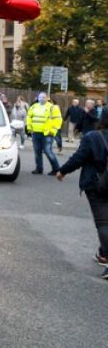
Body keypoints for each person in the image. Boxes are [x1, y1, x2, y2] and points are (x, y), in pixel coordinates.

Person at [55, 112, 108, 280]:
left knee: (103, 221)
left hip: (96, 184)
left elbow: (79, 157)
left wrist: (63, 171)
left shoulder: (93, 137)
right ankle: (102, 253)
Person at [26, 92, 62, 175]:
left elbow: (58, 120)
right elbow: (29, 117)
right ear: (37, 98)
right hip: (35, 132)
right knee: (37, 151)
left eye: (43, 97)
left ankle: (56, 169)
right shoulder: (34, 107)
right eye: (40, 97)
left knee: (47, 151)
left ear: (47, 98)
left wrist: (53, 131)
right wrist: (29, 128)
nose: (41, 98)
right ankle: (39, 169)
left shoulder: (53, 108)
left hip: (47, 133)